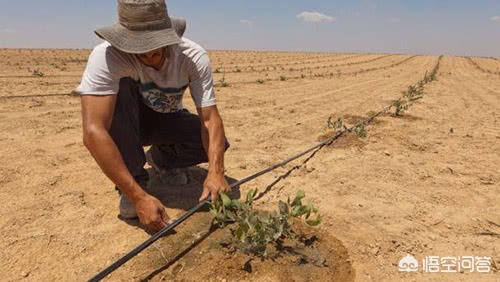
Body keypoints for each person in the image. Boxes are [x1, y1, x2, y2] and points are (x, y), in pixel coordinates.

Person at [74, 0, 230, 231]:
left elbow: (209, 118)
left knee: (215, 144)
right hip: (126, 122)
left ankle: (160, 160)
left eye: (156, 49)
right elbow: (93, 131)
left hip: (166, 117)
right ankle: (135, 182)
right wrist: (137, 197)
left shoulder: (192, 56)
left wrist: (216, 171)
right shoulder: (107, 57)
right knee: (122, 89)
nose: (149, 57)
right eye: (139, 51)